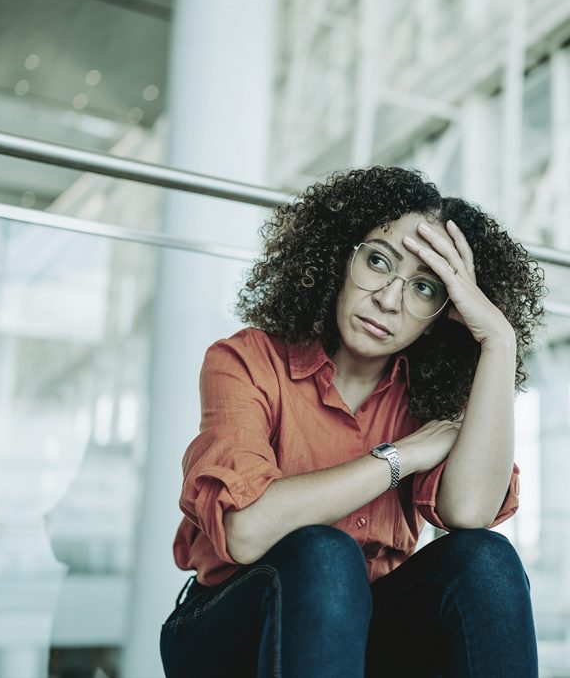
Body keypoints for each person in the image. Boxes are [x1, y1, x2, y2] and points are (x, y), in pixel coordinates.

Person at [160, 166, 545, 678]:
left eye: (425, 288)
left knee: (486, 559)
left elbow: (470, 511)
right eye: (378, 262)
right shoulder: (247, 360)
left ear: (445, 312)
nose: (388, 299)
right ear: (340, 257)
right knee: (325, 554)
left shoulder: (433, 398)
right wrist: (400, 457)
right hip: (231, 625)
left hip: (362, 631)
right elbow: (247, 530)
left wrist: (499, 339)